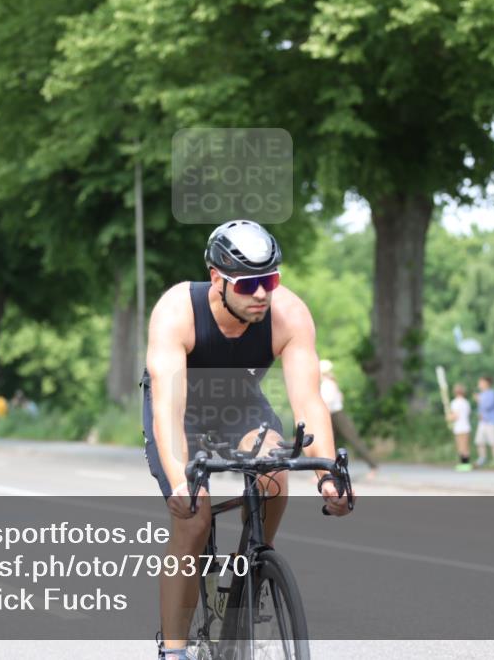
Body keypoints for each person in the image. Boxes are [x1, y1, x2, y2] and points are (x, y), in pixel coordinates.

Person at [142, 220, 353, 660]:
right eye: (247, 284)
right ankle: (173, 651)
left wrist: (328, 475)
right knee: (194, 519)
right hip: (182, 409)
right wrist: (181, 482)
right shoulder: (178, 311)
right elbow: (168, 409)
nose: (261, 294)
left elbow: (309, 401)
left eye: (269, 281)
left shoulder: (288, 314)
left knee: (275, 470)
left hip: (240, 405)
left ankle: (255, 565)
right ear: (216, 279)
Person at [319, 359, 378, 477]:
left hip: (337, 415)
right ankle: (326, 472)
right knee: (328, 444)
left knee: (353, 440)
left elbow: (328, 402)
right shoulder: (328, 383)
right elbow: (340, 397)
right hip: (331, 415)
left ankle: (373, 466)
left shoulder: (328, 384)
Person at [473, 376, 494, 467]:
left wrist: (478, 400)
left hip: (490, 421)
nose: (479, 384)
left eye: (481, 382)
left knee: (493, 441)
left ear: (486, 383)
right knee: (479, 441)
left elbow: (487, 406)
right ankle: (482, 459)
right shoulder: (481, 394)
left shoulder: (491, 393)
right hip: (482, 422)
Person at [447, 383, 472, 472]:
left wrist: (449, 417)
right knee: (466, 446)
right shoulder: (466, 402)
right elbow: (468, 413)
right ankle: (466, 463)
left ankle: (463, 464)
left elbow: (455, 416)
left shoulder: (455, 402)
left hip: (459, 427)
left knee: (461, 446)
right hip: (466, 426)